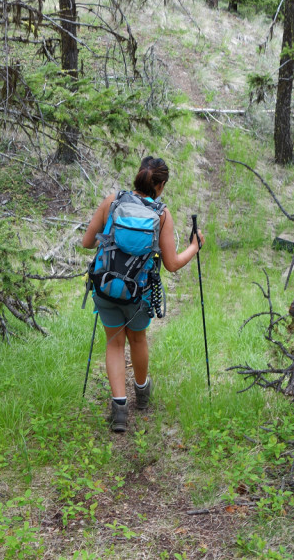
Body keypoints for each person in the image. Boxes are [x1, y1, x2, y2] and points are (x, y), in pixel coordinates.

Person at [82, 156, 204, 432]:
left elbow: (87, 242)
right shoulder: (161, 214)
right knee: (137, 340)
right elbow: (172, 264)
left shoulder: (113, 201)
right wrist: (195, 247)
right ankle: (142, 392)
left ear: (137, 177)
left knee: (114, 342)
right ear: (160, 186)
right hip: (139, 294)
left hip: (105, 288)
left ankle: (119, 409)